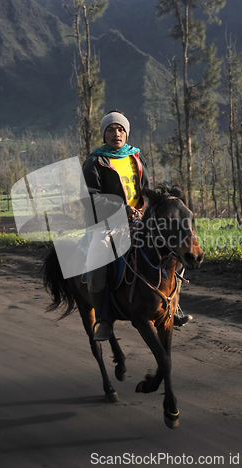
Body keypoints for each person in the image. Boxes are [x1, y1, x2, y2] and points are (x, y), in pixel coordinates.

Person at [83, 110, 189, 341]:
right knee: (97, 261)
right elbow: (92, 198)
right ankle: (103, 319)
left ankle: (172, 306)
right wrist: (121, 208)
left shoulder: (136, 157)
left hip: (140, 219)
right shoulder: (95, 161)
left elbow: (146, 190)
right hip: (108, 223)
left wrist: (152, 209)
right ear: (104, 134)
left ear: (126, 133)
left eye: (120, 129)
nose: (116, 134)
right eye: (110, 130)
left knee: (174, 252)